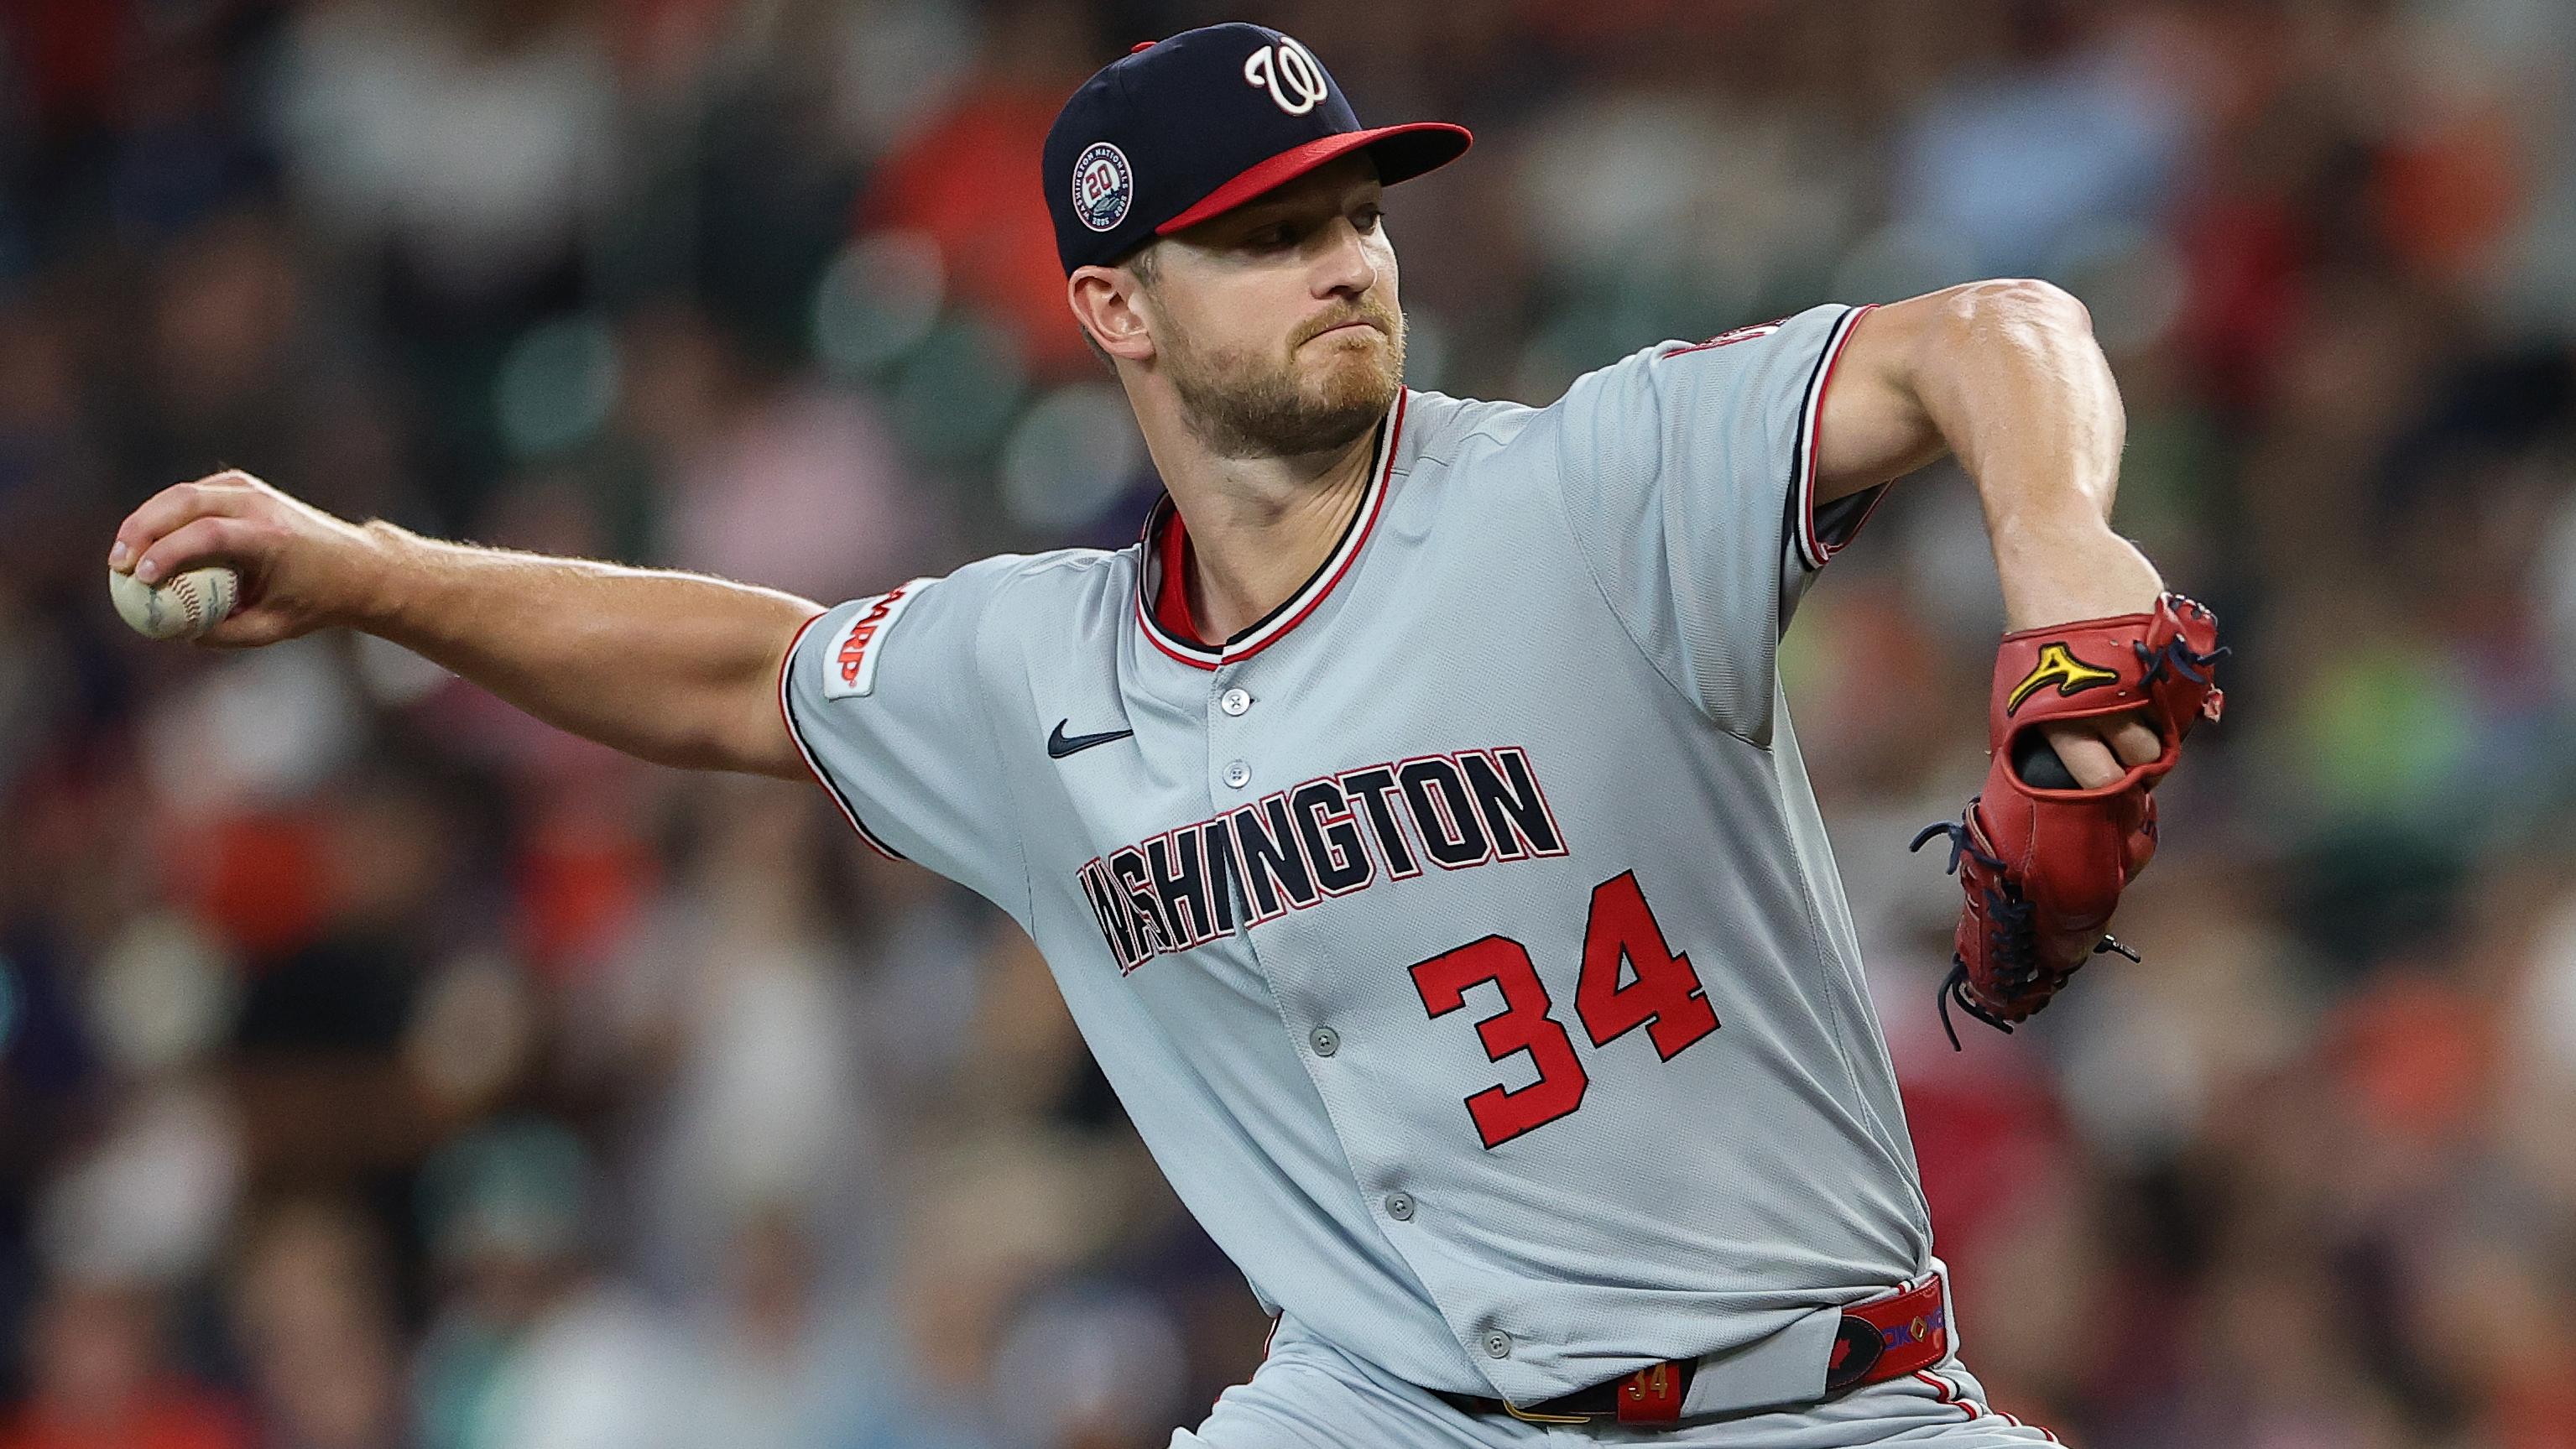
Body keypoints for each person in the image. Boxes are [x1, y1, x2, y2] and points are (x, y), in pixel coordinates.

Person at [111, 23, 2178, 1446]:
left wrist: (2060, 547)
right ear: (1114, 308)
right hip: (1375, 1411)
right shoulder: (1037, 680)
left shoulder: (1589, 488)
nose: (1345, 266)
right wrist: (373, 570)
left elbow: (1990, 336)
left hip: (1807, 1401)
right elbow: (733, 672)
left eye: (1355, 216)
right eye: (1268, 238)